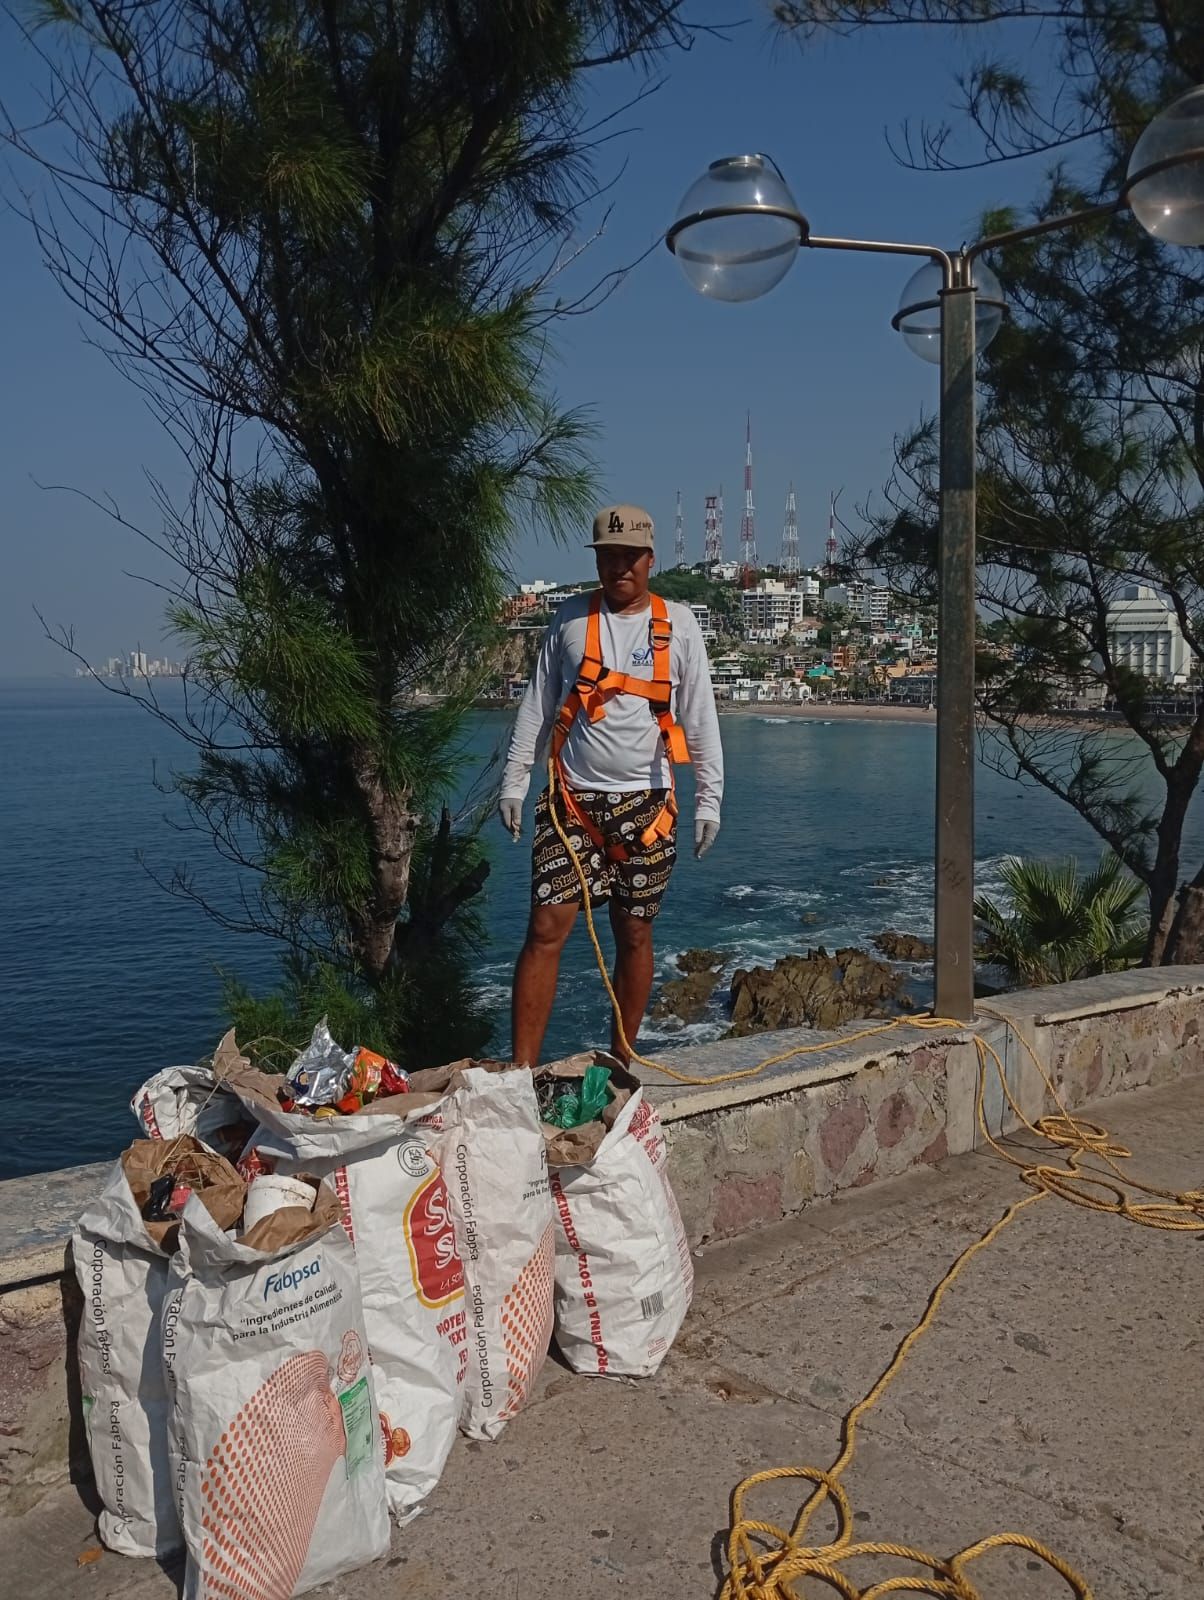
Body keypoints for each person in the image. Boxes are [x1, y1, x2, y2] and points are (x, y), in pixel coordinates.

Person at [499, 504, 724, 1066]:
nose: (619, 567)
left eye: (630, 557)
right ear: (598, 561)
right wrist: (514, 781)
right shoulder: (570, 620)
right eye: (609, 557)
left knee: (634, 933)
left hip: (649, 808)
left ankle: (620, 1059)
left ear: (650, 559)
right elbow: (537, 704)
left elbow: (700, 717)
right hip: (570, 802)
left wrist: (709, 800)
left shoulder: (680, 625)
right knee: (546, 930)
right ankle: (521, 1072)